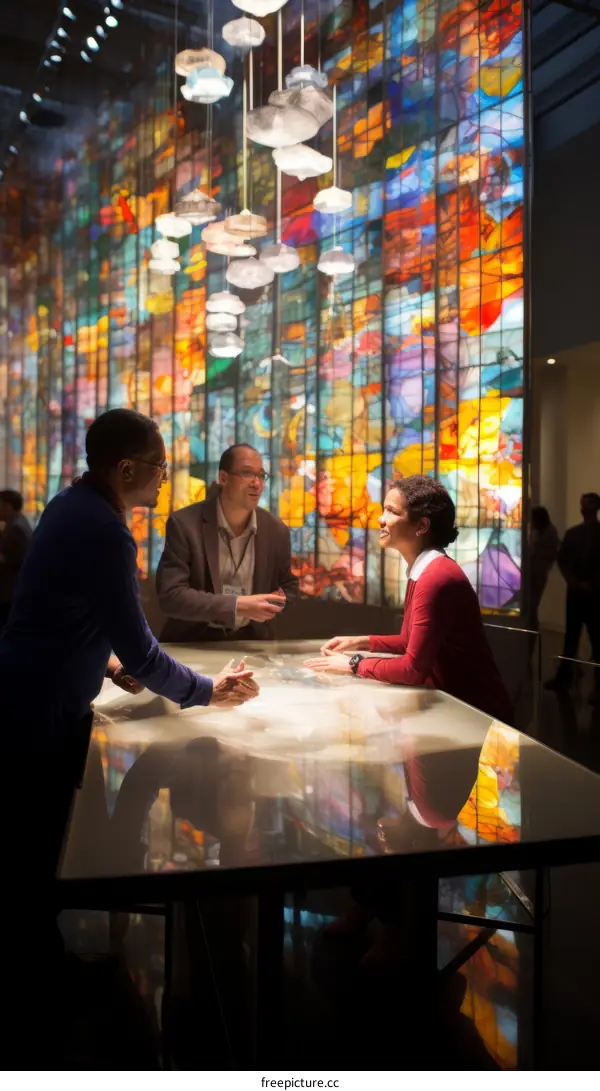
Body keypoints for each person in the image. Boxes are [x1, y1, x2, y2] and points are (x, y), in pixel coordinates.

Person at [0, 409, 258, 1064]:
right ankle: (40, 989)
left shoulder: (72, 507)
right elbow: (143, 647)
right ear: (127, 469)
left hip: (32, 695)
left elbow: (76, 615)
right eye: (160, 464)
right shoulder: (106, 531)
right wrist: (206, 689)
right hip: (40, 709)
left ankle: (44, 968)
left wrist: (109, 662)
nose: (166, 476)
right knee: (34, 848)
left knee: (34, 844)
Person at [305, 474, 513, 725]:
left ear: (421, 526)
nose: (381, 519)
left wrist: (354, 663)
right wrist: (359, 642)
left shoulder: (435, 576)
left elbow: (412, 669)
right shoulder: (425, 570)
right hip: (458, 708)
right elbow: (409, 641)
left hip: (478, 714)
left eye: (392, 512)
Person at [156, 442, 298, 642]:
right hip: (194, 641)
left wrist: (273, 603)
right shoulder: (185, 524)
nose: (257, 483)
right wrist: (237, 605)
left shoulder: (276, 531)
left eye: (261, 476)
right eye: (247, 473)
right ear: (223, 478)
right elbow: (171, 596)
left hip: (251, 641)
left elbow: (289, 586)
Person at [547, 492, 600, 690]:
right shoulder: (574, 534)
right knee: (573, 636)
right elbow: (563, 560)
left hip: (591, 594)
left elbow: (564, 560)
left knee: (593, 638)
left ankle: (580, 679)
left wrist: (587, 583)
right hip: (580, 593)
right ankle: (565, 677)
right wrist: (575, 582)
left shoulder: (576, 534)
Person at [0, 488, 32, 629]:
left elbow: (11, 559)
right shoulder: (17, 523)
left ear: (8, 506)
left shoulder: (16, 528)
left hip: (10, 591)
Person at [529, 505, 559, 632]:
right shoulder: (548, 531)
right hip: (539, 571)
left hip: (538, 571)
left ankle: (532, 631)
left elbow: (549, 553)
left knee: (532, 605)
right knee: (532, 605)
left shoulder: (548, 532)